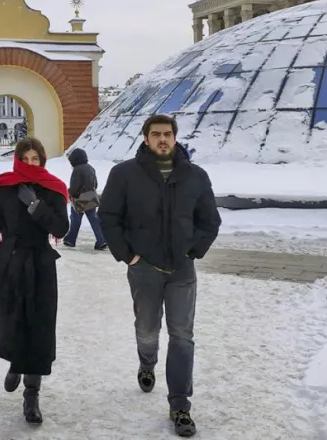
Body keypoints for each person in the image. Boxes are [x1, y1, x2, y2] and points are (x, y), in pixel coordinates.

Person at [98, 114, 221, 438]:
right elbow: (109, 217)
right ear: (146, 138)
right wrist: (128, 255)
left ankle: (180, 405)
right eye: (156, 134)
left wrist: (194, 250)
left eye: (168, 134)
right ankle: (147, 362)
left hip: (182, 270)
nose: (162, 139)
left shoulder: (195, 176)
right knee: (147, 328)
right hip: (144, 269)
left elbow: (210, 221)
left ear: (175, 137)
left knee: (182, 336)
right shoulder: (124, 174)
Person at [0, 137, 71, 425]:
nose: (29, 164)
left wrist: (37, 206)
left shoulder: (54, 189)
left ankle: (31, 397)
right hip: (9, 265)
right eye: (24, 159)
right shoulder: (2, 188)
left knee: (38, 328)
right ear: (16, 159)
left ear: (42, 160)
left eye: (34, 159)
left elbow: (62, 227)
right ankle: (15, 362)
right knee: (8, 320)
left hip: (40, 265)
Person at [63, 148, 107, 250]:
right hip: (91, 196)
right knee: (93, 219)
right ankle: (102, 240)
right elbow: (95, 184)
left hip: (79, 199)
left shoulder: (77, 170)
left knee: (75, 219)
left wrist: (71, 193)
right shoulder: (91, 168)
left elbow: (74, 186)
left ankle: (70, 240)